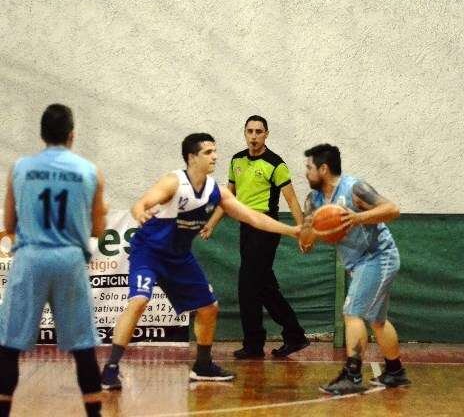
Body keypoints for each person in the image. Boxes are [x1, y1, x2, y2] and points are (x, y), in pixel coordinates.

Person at [100, 133, 300, 390]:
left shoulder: (215, 192)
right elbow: (141, 203)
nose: (215, 156)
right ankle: (111, 368)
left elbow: (253, 217)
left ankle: (203, 365)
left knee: (209, 307)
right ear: (192, 157)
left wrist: (292, 230)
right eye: (208, 152)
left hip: (179, 258)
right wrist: (141, 213)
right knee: (139, 300)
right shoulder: (174, 182)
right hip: (149, 252)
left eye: (215, 151)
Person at [0, 104, 107, 417]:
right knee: (83, 345)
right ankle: (95, 415)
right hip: (69, 259)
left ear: (41, 134)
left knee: (9, 345)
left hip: (30, 258)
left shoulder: (20, 168)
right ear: (72, 135)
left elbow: (9, 222)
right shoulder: (89, 171)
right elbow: (98, 230)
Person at [299, 143, 410, 395]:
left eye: (309, 168)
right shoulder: (313, 200)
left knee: (352, 313)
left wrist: (358, 217)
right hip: (358, 263)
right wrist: (309, 232)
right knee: (377, 321)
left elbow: (392, 209)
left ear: (323, 169)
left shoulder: (355, 188)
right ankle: (395, 372)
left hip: (378, 257)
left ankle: (353, 375)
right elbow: (305, 240)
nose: (305, 173)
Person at [204, 115, 309, 359]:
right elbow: (228, 197)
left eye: (258, 132)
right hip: (245, 228)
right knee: (264, 286)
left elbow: (291, 199)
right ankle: (295, 335)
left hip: (265, 228)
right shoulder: (237, 161)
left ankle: (253, 345)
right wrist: (211, 224)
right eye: (249, 131)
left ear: (266, 134)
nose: (253, 136)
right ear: (244, 133)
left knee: (248, 287)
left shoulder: (275, 164)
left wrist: (302, 231)